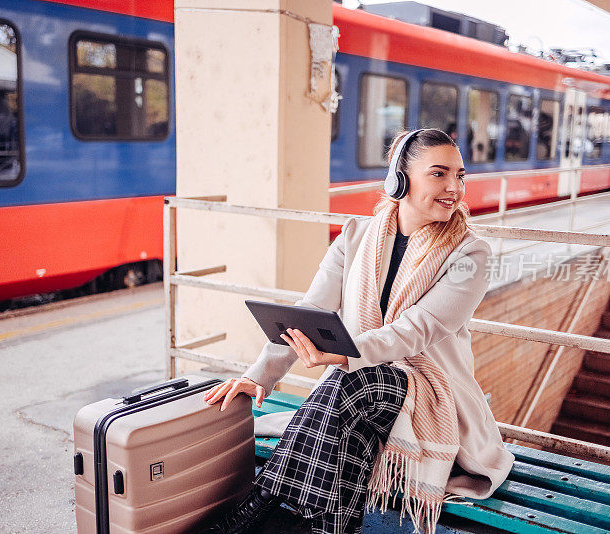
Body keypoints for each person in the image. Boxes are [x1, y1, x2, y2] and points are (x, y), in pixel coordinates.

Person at [203, 128, 514, 534]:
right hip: (360, 400)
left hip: (429, 394)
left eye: (460, 175)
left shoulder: (471, 252)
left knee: (353, 381)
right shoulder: (355, 237)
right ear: (398, 178)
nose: (454, 188)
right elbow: (311, 310)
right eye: (438, 174)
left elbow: (417, 330)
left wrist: (346, 354)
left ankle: (257, 504)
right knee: (349, 426)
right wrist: (257, 376)